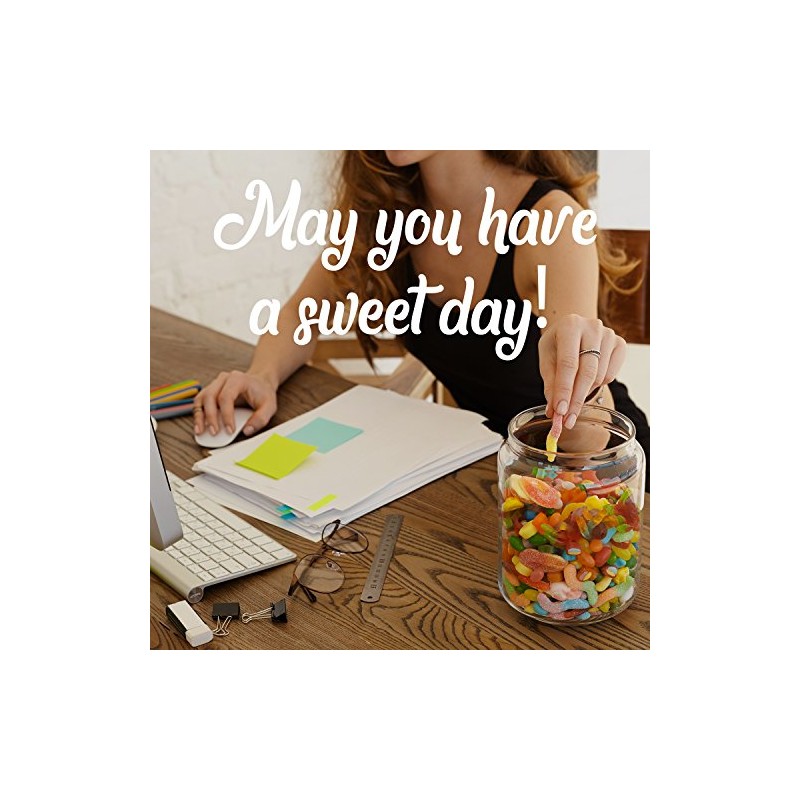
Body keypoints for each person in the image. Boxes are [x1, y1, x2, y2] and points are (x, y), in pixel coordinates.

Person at [194, 150, 649, 487]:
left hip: (603, 481)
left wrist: (582, 377)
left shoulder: (551, 221)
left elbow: (590, 442)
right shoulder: (384, 213)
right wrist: (262, 375)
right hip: (493, 471)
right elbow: (302, 312)